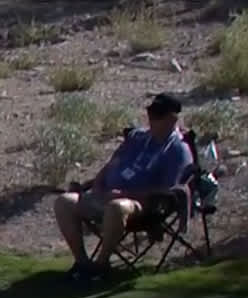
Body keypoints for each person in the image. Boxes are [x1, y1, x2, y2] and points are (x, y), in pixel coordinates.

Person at [52, 92, 193, 281]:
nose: (152, 120)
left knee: (116, 208)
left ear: (172, 119)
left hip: (142, 204)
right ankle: (82, 263)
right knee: (64, 202)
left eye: (157, 116)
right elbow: (111, 165)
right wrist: (99, 185)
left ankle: (101, 265)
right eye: (151, 114)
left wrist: (126, 194)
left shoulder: (177, 150)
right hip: (107, 195)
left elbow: (168, 192)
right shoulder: (137, 138)